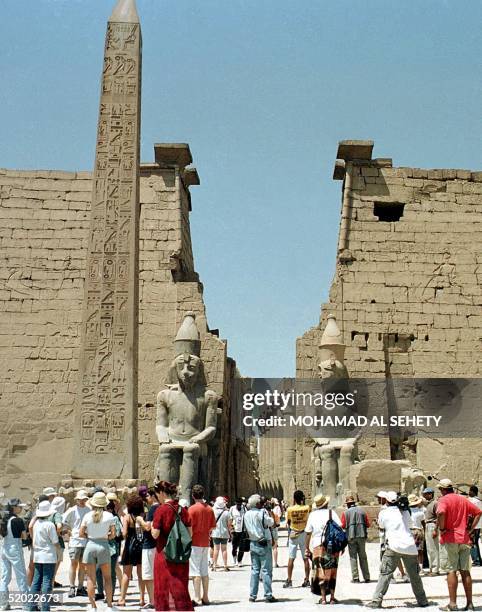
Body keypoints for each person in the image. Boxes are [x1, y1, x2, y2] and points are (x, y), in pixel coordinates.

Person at [366, 491, 429, 609]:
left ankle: (376, 600)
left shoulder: (384, 513)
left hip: (393, 546)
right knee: (415, 575)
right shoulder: (406, 512)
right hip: (409, 547)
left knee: (385, 574)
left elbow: (382, 526)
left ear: (387, 501)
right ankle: (422, 600)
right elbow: (410, 524)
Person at [436, 478, 482, 612]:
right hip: (464, 538)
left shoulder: (443, 500)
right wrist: (471, 529)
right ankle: (470, 604)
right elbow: (478, 512)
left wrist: (442, 528)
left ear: (443, 489)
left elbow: (441, 512)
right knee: (465, 571)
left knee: (451, 570)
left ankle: (453, 604)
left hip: (450, 538)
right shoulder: (463, 499)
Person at [151, 480, 193, 611]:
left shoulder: (161, 510)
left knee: (163, 586)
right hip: (180, 554)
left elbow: (155, 535)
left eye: (157, 493)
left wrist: (151, 526)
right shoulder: (183, 510)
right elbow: (190, 533)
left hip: (164, 554)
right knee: (180, 585)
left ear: (162, 493)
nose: (157, 496)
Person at [79, 491, 116, 612]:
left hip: (90, 545)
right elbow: (113, 535)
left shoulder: (87, 516)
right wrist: (107, 536)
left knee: (90, 578)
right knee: (108, 578)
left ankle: (93, 606)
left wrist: (89, 536)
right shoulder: (109, 516)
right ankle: (109, 606)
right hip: (103, 545)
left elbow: (80, 533)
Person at [304, 494, 342, 605]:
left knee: (320, 571)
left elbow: (308, 533)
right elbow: (340, 528)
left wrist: (307, 547)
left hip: (317, 546)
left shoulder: (312, 515)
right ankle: (332, 598)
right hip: (332, 546)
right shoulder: (332, 513)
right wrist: (341, 546)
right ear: (326, 504)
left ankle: (323, 598)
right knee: (332, 570)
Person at [243, 494, 276, 604]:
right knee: (266, 570)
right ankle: (268, 595)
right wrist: (269, 512)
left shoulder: (246, 514)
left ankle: (252, 595)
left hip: (253, 543)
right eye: (261, 502)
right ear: (257, 504)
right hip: (263, 543)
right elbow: (271, 523)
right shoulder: (262, 513)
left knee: (255, 570)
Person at [188, 484, 216, 606]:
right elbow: (212, 527)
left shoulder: (191, 509)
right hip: (205, 541)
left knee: (195, 571)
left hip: (194, 542)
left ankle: (197, 597)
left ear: (193, 495)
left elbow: (189, 528)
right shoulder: (209, 509)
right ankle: (206, 597)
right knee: (204, 570)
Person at [30, 500, 59, 612]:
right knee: (47, 581)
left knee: (36, 581)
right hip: (48, 556)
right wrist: (58, 550)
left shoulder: (36, 524)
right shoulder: (50, 525)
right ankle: (45, 607)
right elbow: (55, 541)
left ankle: (32, 606)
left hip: (38, 555)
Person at [0, 498, 28, 611]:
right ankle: (26, 604)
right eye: (19, 506)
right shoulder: (18, 520)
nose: (21, 508)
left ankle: (3, 603)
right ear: (14, 507)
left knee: (4, 577)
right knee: (21, 576)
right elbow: (24, 536)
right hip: (15, 549)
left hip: (4, 548)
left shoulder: (4, 520)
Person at [117, 494, 145, 607]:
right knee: (140, 574)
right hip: (141, 545)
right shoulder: (143, 515)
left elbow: (124, 534)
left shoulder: (127, 517)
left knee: (126, 574)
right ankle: (142, 598)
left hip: (129, 546)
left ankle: (122, 599)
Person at [62, 489, 90, 598]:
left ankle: (80, 587)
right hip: (75, 541)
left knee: (83, 566)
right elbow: (63, 522)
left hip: (85, 541)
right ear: (77, 500)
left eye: (84, 499)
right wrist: (68, 533)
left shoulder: (89, 510)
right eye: (80, 499)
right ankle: (72, 587)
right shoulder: (72, 510)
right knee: (74, 564)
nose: (82, 501)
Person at [136, 487, 158, 609]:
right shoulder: (159, 507)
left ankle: (152, 600)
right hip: (156, 545)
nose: (146, 499)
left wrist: (140, 519)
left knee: (148, 574)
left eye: (148, 496)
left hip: (149, 545)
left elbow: (148, 527)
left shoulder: (153, 509)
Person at [341, 494, 370, 583]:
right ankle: (366, 577)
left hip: (351, 537)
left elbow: (342, 525)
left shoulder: (345, 513)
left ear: (347, 504)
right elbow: (368, 524)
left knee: (353, 557)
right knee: (363, 557)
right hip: (361, 536)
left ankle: (356, 578)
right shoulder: (362, 511)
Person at [284, 490, 310, 588]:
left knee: (291, 558)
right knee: (305, 558)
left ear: (294, 499)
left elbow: (289, 522)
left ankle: (289, 580)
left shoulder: (290, 509)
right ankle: (307, 579)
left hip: (294, 534)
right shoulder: (307, 508)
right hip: (303, 533)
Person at [422, 487, 440, 576]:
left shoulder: (435, 503)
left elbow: (438, 517)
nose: (424, 496)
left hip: (432, 525)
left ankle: (435, 569)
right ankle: (431, 568)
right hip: (428, 525)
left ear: (430, 494)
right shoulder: (428, 503)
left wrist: (436, 529)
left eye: (425, 494)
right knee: (429, 548)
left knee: (434, 548)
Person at [211, 497, 231, 571]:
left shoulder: (213, 511)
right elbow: (229, 524)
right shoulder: (226, 512)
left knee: (216, 549)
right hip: (224, 532)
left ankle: (214, 565)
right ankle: (225, 565)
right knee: (224, 549)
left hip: (215, 532)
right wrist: (230, 533)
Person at [228, 498, 246, 566]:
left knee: (242, 547)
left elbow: (246, 518)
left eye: (240, 504)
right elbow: (230, 519)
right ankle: (234, 558)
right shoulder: (232, 509)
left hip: (242, 530)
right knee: (234, 546)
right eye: (238, 504)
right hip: (234, 530)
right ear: (235, 503)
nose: (239, 506)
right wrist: (231, 529)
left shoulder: (244, 509)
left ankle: (240, 560)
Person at [468, 485, 482, 567]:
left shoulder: (473, 500)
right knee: (475, 542)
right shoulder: (479, 500)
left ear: (472, 491)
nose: (469, 492)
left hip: (473, 524)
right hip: (479, 524)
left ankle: (476, 560)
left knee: (473, 542)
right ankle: (477, 559)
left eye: (470, 491)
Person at [269, 499, 281, 568]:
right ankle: (275, 563)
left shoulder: (264, 512)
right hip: (273, 529)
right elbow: (277, 519)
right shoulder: (273, 512)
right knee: (274, 547)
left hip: (267, 530)